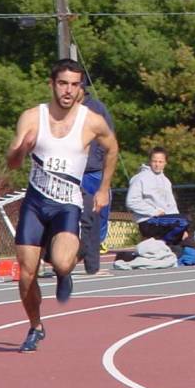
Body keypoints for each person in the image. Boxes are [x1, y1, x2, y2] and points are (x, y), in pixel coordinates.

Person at [7, 58, 118, 353]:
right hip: (35, 202)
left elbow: (113, 148)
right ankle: (35, 326)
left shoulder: (91, 120)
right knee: (26, 272)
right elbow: (12, 160)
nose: (68, 90)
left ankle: (64, 272)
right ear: (51, 84)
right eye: (62, 83)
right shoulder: (32, 117)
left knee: (62, 262)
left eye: (74, 84)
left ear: (80, 87)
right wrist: (22, 149)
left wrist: (104, 188)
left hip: (67, 203)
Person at [78, 83, 115, 274]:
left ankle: (93, 254)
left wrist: (98, 157)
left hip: (93, 171)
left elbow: (110, 140)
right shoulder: (58, 109)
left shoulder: (97, 108)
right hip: (70, 173)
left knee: (96, 212)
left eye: (76, 85)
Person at [125, 147, 194, 246]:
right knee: (184, 220)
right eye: (154, 161)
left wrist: (184, 230)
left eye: (160, 162)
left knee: (188, 238)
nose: (157, 164)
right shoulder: (140, 178)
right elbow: (131, 201)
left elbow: (171, 206)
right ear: (150, 161)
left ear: (165, 163)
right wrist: (154, 212)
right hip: (148, 221)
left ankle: (170, 246)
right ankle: (163, 244)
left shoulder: (166, 181)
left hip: (164, 220)